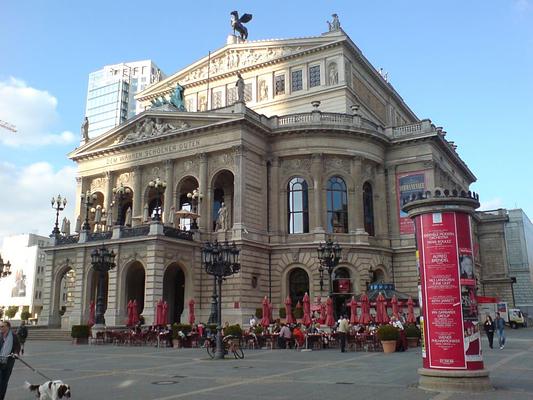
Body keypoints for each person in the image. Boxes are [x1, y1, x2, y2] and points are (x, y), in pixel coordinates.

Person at [0, 321, 20, 400]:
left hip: (8, 362)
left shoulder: (13, 336)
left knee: (3, 383)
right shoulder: (0, 336)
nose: (1, 328)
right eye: (0, 326)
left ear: (7, 327)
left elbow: (17, 347)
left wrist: (15, 353)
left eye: (2, 326)